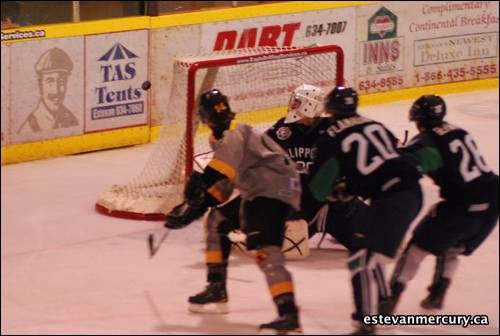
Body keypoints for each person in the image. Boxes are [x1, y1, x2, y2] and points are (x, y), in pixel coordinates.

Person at [165, 89, 302, 334]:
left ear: (204, 118)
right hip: (262, 190)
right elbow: (225, 185)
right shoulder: (227, 136)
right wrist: (197, 207)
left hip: (273, 191)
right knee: (217, 221)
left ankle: (289, 317)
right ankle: (217, 289)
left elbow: (215, 175)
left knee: (266, 253)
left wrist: (192, 202)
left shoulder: (233, 134)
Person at [308, 87, 423, 335]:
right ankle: (382, 306)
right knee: (372, 254)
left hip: (391, 200)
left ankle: (366, 324)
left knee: (360, 260)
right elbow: (397, 151)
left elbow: (318, 187)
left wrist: (340, 189)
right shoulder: (376, 124)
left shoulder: (330, 136)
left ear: (330, 109)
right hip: (409, 194)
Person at [383, 95, 499, 314]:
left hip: (463, 205)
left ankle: (390, 299)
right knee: (453, 246)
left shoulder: (427, 142)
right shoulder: (459, 131)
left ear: (418, 119)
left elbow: (413, 168)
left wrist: (400, 157)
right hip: (493, 201)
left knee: (416, 249)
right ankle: (437, 294)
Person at [265, 84, 367, 252]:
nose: (293, 106)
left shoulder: (332, 129)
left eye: (298, 102)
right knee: (280, 244)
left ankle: (332, 220)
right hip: (298, 201)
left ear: (310, 105)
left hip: (334, 202)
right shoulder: (283, 128)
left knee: (374, 238)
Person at [18, 47, 79, 134]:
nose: (56, 91)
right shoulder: (29, 128)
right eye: (50, 81)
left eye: (62, 82)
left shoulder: (71, 119)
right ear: (40, 85)